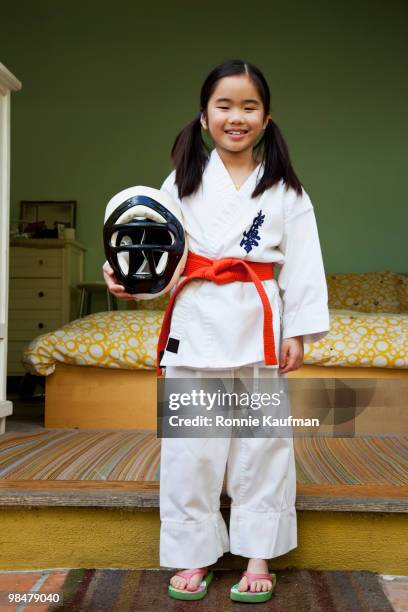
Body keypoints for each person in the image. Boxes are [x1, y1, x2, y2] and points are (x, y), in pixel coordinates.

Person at [103, 58, 330, 603]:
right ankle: (194, 553)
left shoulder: (286, 191)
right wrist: (127, 281)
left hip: (258, 323)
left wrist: (298, 329)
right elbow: (154, 251)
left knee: (262, 443)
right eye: (224, 106)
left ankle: (258, 553)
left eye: (248, 106)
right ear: (203, 117)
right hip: (196, 322)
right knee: (192, 446)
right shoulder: (180, 182)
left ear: (267, 118)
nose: (236, 116)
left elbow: (303, 263)